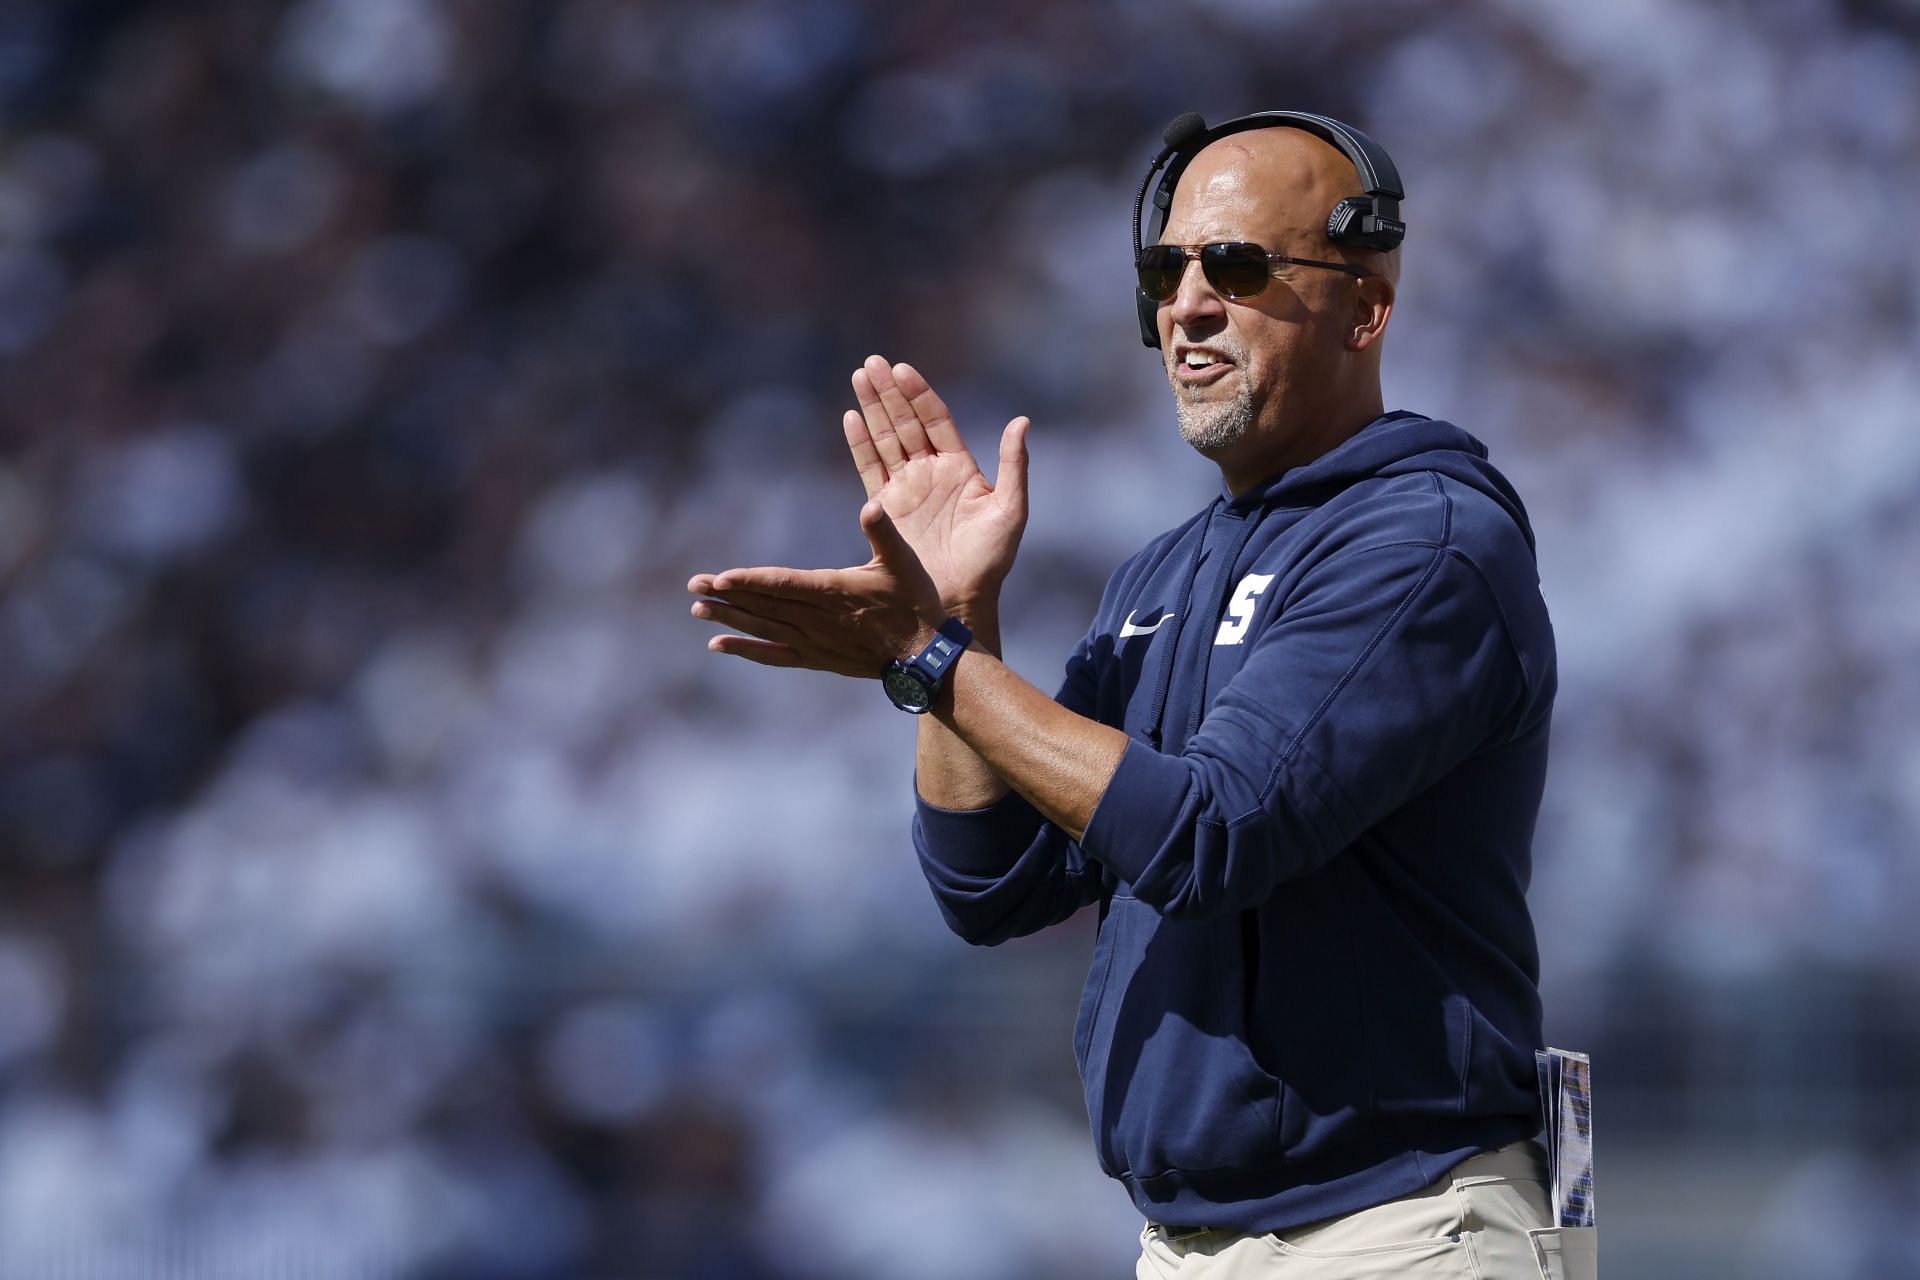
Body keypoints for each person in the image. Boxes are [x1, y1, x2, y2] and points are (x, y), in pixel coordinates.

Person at [691, 112, 1578, 1278]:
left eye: (1240, 266)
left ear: (1365, 308)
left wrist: (938, 664)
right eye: (1168, 269)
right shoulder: (1163, 570)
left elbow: (1212, 831)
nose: (1189, 305)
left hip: (1396, 1228)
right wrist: (959, 632)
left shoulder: (1425, 540)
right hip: (1195, 1244)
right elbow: (991, 881)